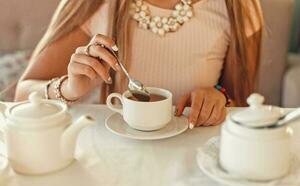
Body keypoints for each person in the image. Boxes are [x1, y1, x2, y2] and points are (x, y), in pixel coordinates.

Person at [15, 0, 263, 128]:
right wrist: (69, 88)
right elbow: (21, 96)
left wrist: (219, 97)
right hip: (116, 158)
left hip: (195, 160)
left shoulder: (237, 6)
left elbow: (240, 103)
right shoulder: (92, 4)